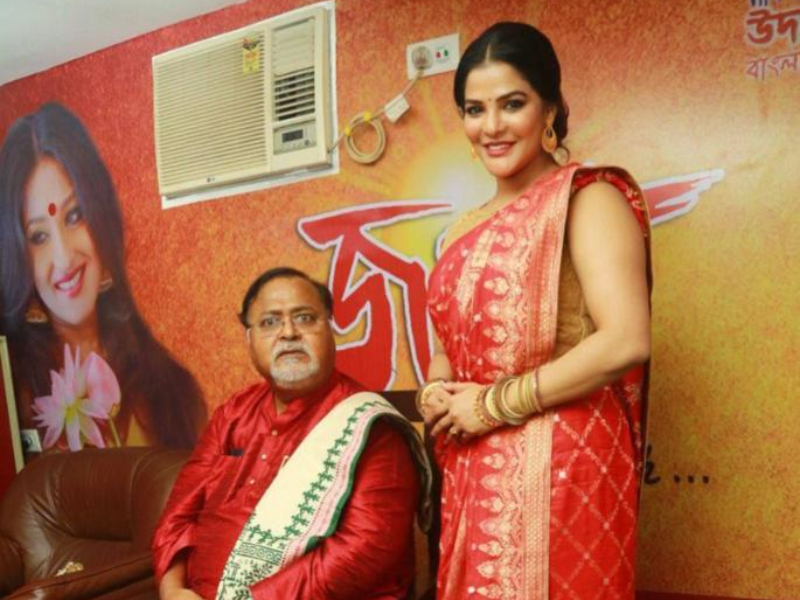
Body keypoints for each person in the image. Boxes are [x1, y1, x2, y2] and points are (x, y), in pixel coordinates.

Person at [420, 23, 652, 599]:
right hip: (473, 463)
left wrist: (493, 405)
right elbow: (447, 352)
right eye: (475, 110)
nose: (491, 126)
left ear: (549, 108)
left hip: (564, 464)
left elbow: (625, 339)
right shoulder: (460, 231)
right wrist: (436, 394)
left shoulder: (587, 199)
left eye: (512, 104)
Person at [152, 267, 430, 600]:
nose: (288, 333)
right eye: (270, 322)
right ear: (250, 340)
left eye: (305, 318)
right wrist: (172, 590)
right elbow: (178, 513)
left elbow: (364, 552)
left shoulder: (371, 427)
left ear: (329, 329)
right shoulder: (233, 414)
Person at [0, 102, 206, 450]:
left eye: (74, 216)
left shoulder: (171, 388)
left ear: (101, 215)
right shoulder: (16, 395)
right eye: (38, 236)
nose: (64, 257)